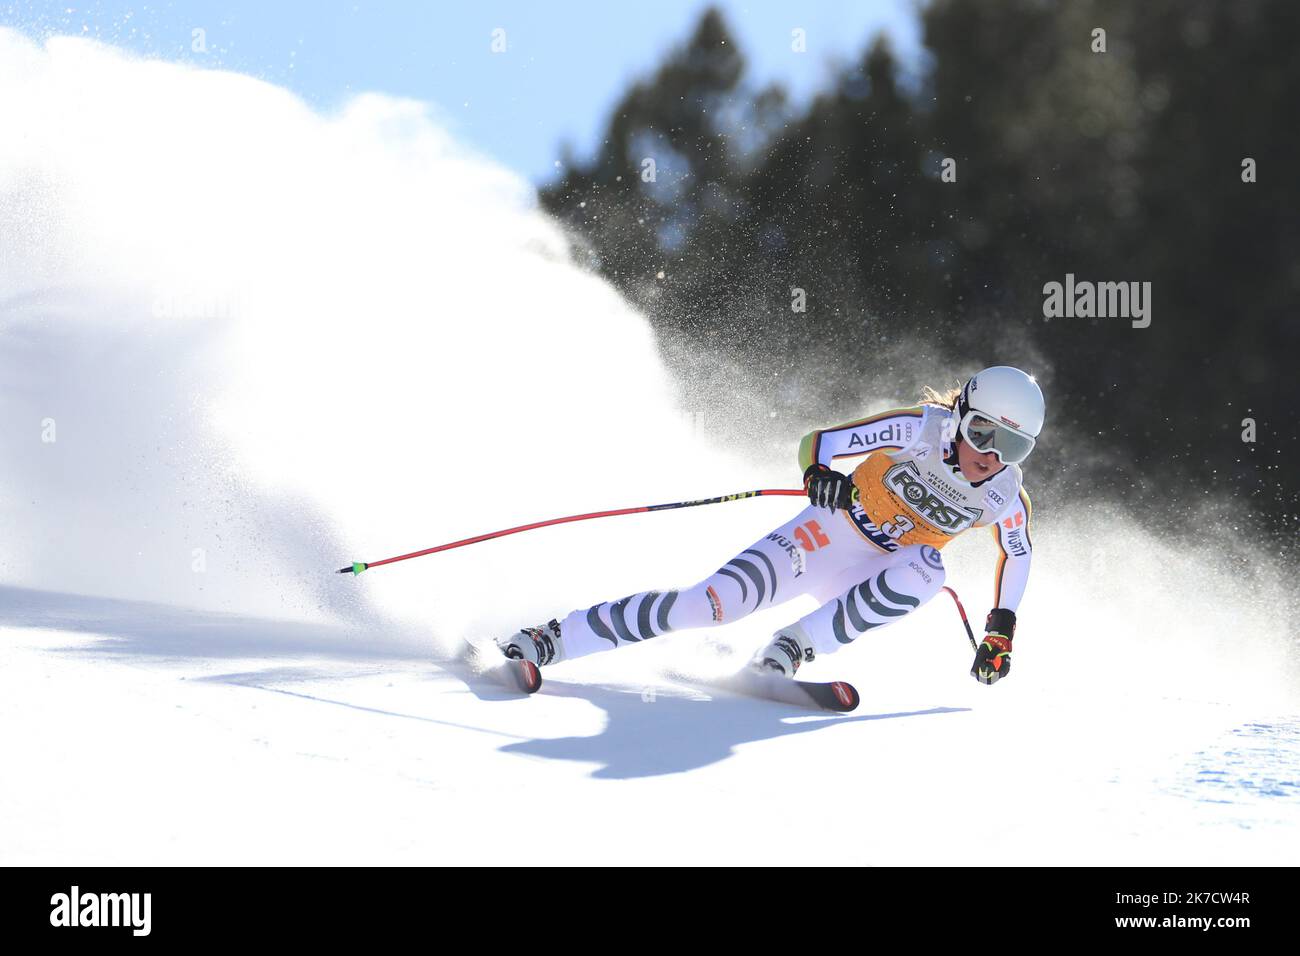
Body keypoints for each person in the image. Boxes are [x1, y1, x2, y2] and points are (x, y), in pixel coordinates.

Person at [496, 366, 1043, 686]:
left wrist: (1001, 629)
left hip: (876, 572)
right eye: (982, 432)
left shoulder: (1004, 494)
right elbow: (819, 441)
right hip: (825, 536)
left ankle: (793, 647)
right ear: (960, 414)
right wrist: (819, 474)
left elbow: (1017, 553)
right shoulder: (918, 429)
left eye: (1013, 445)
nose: (992, 454)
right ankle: (554, 638)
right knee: (704, 606)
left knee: (929, 568)